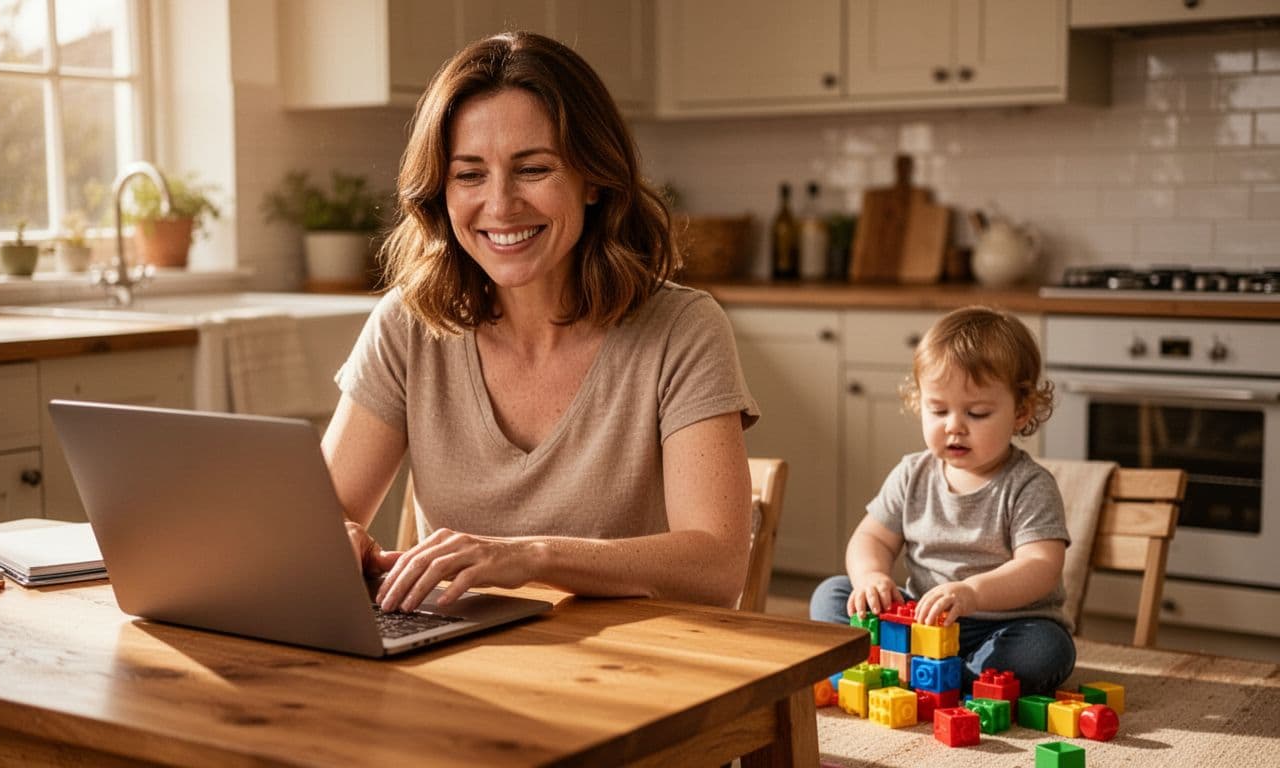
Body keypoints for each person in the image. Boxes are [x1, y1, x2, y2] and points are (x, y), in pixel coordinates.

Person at [322, 31, 759, 614]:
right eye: (469, 174)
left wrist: (530, 557)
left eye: (533, 169)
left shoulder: (682, 328)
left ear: (596, 178)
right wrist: (335, 537)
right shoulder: (406, 326)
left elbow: (717, 566)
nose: (500, 206)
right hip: (454, 665)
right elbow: (325, 516)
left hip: (636, 671)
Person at [809, 306, 1074, 694]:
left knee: (1047, 650)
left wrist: (972, 594)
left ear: (1021, 411)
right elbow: (871, 539)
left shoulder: (1029, 485)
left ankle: (943, 676)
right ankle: (911, 667)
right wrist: (872, 577)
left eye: (977, 412)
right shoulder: (912, 474)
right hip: (920, 621)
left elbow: (1041, 566)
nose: (954, 426)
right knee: (832, 594)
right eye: (938, 410)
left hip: (1002, 628)